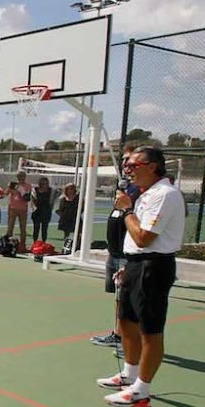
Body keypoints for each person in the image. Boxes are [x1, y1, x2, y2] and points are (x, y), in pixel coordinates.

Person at [96, 146, 184, 407]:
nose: (127, 169)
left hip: (153, 267)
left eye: (133, 165)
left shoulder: (165, 194)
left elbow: (144, 238)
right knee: (126, 323)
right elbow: (138, 243)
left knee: (150, 330)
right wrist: (130, 265)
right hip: (137, 265)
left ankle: (141, 392)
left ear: (152, 166)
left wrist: (126, 210)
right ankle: (129, 375)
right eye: (127, 165)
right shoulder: (148, 194)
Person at [92, 146, 138, 349]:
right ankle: (119, 334)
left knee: (129, 299)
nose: (126, 166)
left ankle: (130, 339)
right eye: (124, 162)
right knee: (119, 299)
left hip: (128, 255)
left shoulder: (141, 192)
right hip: (115, 252)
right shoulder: (124, 190)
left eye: (130, 162)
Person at [3, 171, 32, 251]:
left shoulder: (28, 186)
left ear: (25, 177)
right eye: (19, 176)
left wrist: (21, 191)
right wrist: (9, 187)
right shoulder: (13, 185)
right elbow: (5, 193)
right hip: (12, 208)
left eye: (22, 176)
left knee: (23, 228)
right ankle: (8, 244)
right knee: (10, 227)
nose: (20, 178)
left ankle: (22, 246)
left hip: (23, 209)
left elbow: (27, 198)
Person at [30, 177, 55, 243]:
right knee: (36, 229)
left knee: (44, 229)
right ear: (39, 183)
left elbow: (52, 202)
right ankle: (35, 243)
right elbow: (33, 201)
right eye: (42, 183)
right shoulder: (35, 190)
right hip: (37, 212)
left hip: (46, 212)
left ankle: (44, 243)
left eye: (46, 183)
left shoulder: (51, 191)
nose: (44, 185)